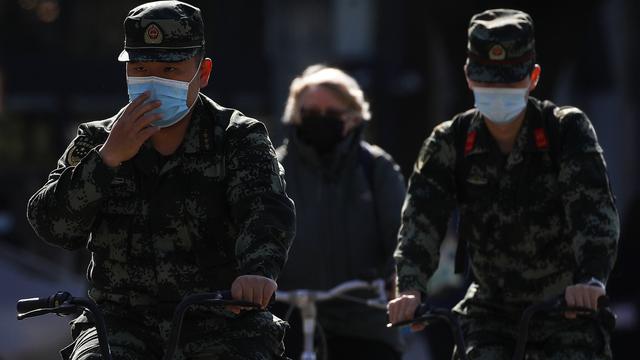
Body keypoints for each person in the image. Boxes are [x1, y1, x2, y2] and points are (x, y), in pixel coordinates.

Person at [26, 2, 296, 359]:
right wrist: (107, 159)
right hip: (120, 325)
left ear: (202, 73)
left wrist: (257, 274)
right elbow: (52, 224)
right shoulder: (97, 140)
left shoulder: (237, 138)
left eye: (170, 69)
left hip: (219, 321)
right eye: (140, 68)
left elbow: (266, 212)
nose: (154, 81)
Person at [388, 9, 619, 360]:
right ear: (468, 77)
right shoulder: (451, 141)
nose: (498, 92)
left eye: (509, 82)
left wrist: (590, 282)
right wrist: (411, 288)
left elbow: (594, 212)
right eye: (488, 81)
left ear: (534, 77)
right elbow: (421, 220)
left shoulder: (565, 131)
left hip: (566, 307)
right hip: (489, 311)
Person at [273, 64, 406, 359]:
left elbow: (403, 239)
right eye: (310, 114)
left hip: (363, 320)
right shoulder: (273, 170)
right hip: (283, 319)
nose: (320, 121)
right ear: (295, 115)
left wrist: (404, 288)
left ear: (353, 117)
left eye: (331, 115)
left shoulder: (376, 169)